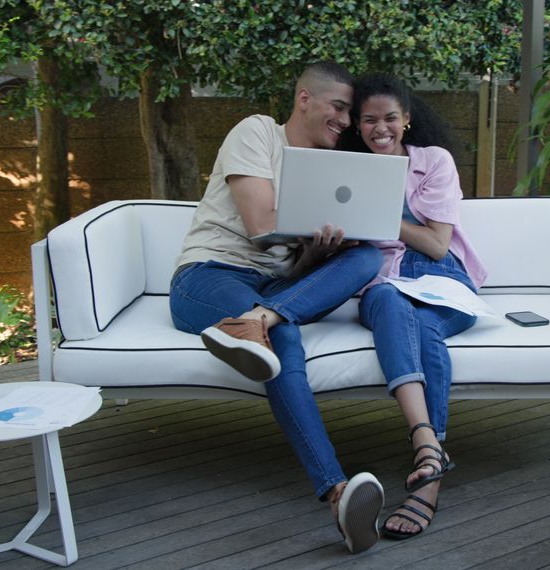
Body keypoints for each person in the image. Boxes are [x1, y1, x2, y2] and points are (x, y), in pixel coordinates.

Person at [168, 61, 385, 554]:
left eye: (350, 113)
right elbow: (260, 224)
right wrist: (304, 239)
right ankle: (337, 491)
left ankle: (254, 322)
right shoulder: (257, 132)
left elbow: (292, 266)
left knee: (366, 255)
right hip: (210, 276)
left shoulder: (327, 171)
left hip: (270, 291)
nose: (347, 122)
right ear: (304, 99)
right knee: (285, 337)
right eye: (339, 108)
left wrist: (322, 251)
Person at [338, 73, 487, 539]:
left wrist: (377, 207)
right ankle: (429, 450)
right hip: (383, 282)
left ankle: (427, 479)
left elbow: (438, 245)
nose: (379, 128)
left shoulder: (433, 162)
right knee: (386, 295)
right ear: (357, 126)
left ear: (406, 120)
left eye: (389, 118)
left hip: (441, 278)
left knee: (425, 323)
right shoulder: (347, 171)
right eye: (368, 120)